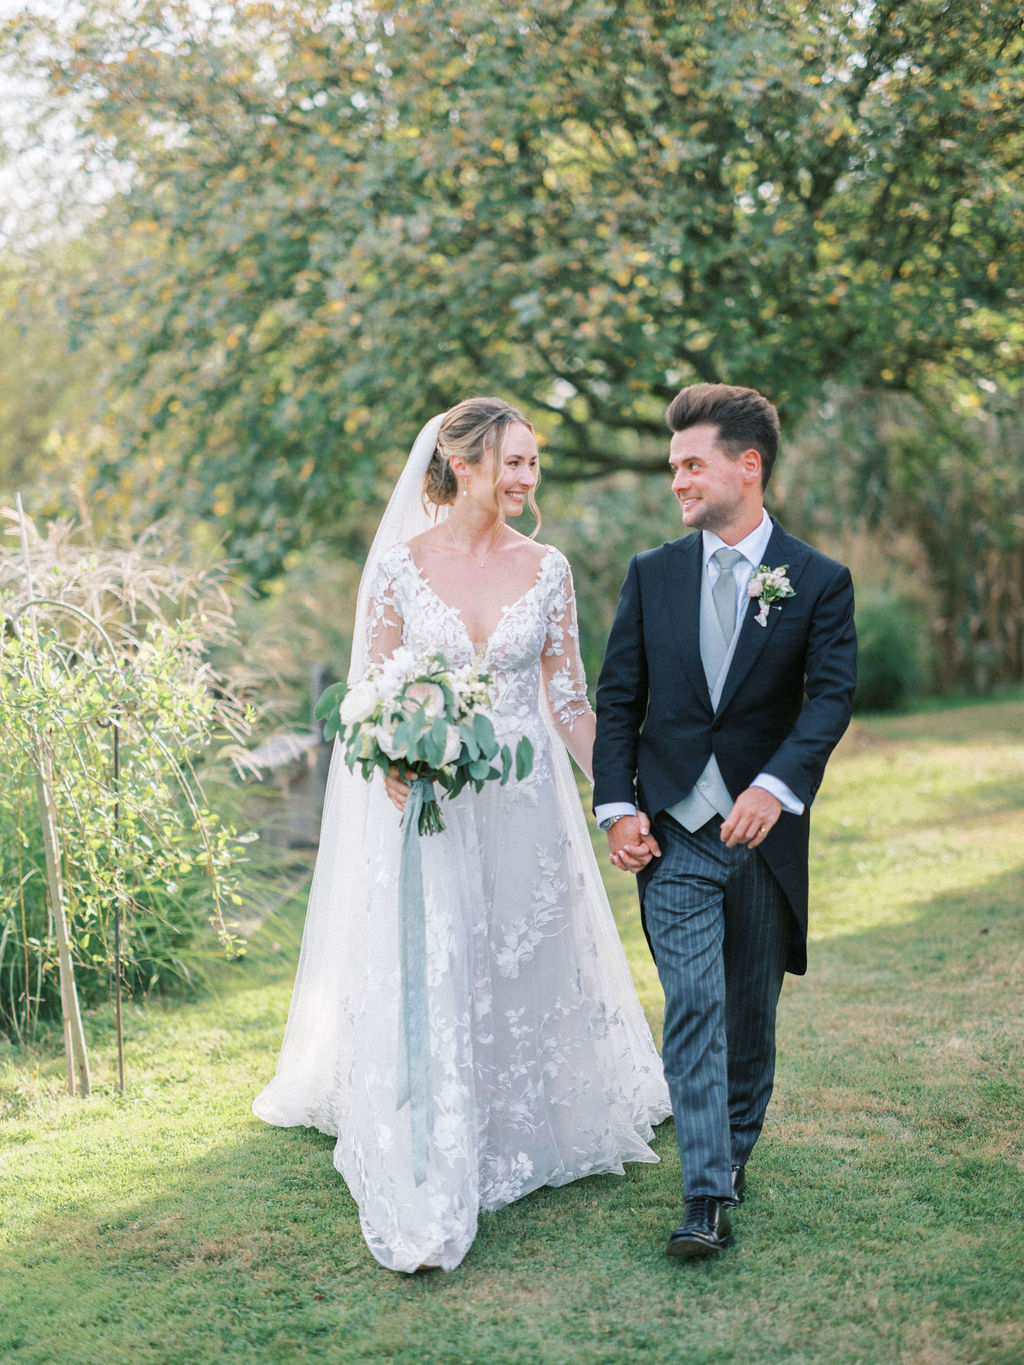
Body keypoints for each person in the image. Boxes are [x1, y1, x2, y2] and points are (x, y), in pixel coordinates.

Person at [254, 397, 670, 1273]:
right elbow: (369, 700)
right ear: (464, 464)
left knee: (521, 955)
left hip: (527, 805)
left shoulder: (548, 569)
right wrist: (392, 760)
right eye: (513, 462)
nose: (527, 477)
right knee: (441, 957)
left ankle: (525, 1115)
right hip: (431, 808)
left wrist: (621, 799)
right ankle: (437, 1135)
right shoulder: (401, 570)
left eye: (532, 462)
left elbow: (568, 704)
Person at [593, 383, 856, 1260]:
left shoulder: (819, 581)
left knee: (750, 1019)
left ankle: (732, 1154)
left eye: (691, 463)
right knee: (695, 1000)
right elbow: (619, 697)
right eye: (672, 466)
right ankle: (704, 1195)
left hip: (764, 840)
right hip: (674, 836)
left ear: (748, 466)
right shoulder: (652, 574)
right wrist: (619, 805)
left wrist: (777, 785)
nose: (678, 480)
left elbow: (830, 701)